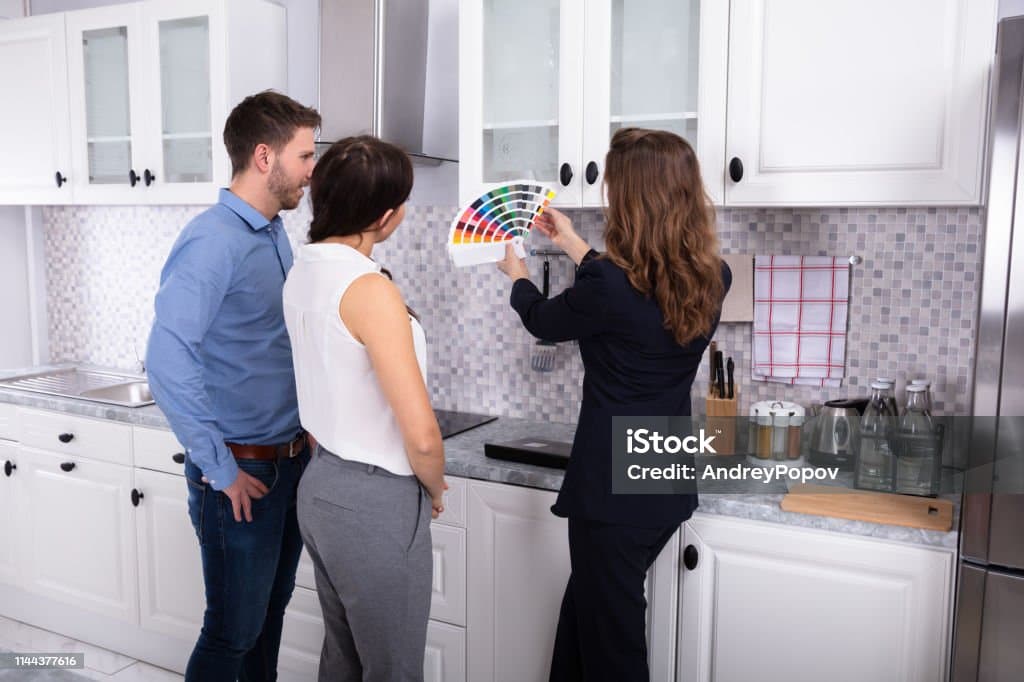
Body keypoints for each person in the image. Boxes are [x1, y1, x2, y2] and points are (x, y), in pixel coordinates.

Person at [497, 127, 732, 682]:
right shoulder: (710, 278)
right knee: (585, 617)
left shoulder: (607, 285)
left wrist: (519, 277)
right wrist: (575, 243)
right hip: (662, 487)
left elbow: (544, 321)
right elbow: (636, 292)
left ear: (632, 201)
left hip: (611, 499)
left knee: (613, 650)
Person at [146, 90, 321, 681]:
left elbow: (271, 343)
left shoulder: (272, 232)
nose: (311, 170)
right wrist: (219, 469)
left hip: (286, 463)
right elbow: (167, 359)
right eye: (306, 155)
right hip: (241, 475)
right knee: (232, 633)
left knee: (266, 621)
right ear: (265, 157)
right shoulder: (213, 240)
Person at [282, 136, 446, 682]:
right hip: (376, 500)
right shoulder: (368, 289)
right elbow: (421, 434)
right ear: (386, 215)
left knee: (345, 660)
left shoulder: (304, 270)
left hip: (322, 485)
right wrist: (436, 487)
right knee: (393, 669)